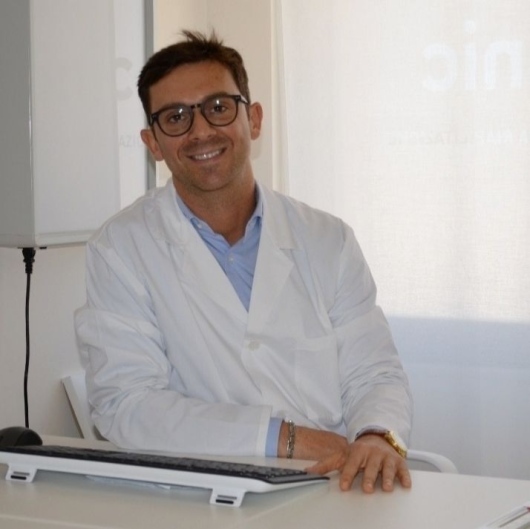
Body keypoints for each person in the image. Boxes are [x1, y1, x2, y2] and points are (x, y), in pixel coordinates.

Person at [75, 30, 413, 494]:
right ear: (153, 143)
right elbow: (127, 404)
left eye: (218, 107)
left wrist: (375, 437)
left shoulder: (327, 239)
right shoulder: (120, 248)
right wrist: (286, 439)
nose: (200, 131)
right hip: (204, 495)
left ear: (253, 119)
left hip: (336, 486)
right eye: (175, 117)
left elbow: (374, 371)